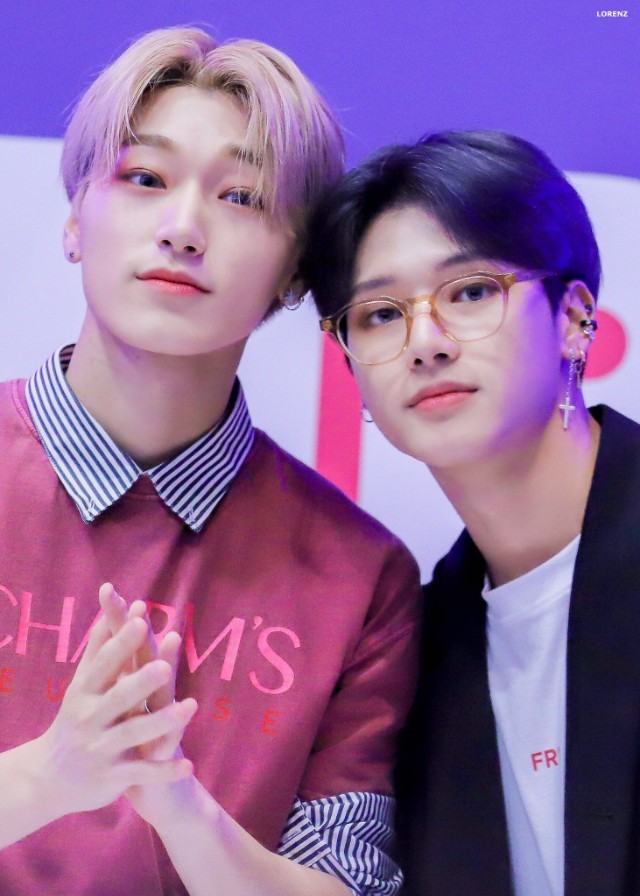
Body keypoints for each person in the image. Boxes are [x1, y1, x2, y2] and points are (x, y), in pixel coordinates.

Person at [0, 26, 421, 896]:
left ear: (295, 273)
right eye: (145, 179)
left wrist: (182, 808)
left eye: (240, 197)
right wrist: (48, 777)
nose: (183, 228)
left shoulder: (359, 576)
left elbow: (342, 880)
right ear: (75, 219)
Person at [303, 129, 640, 896]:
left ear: (573, 318)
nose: (425, 342)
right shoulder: (412, 653)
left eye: (471, 292)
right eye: (380, 313)